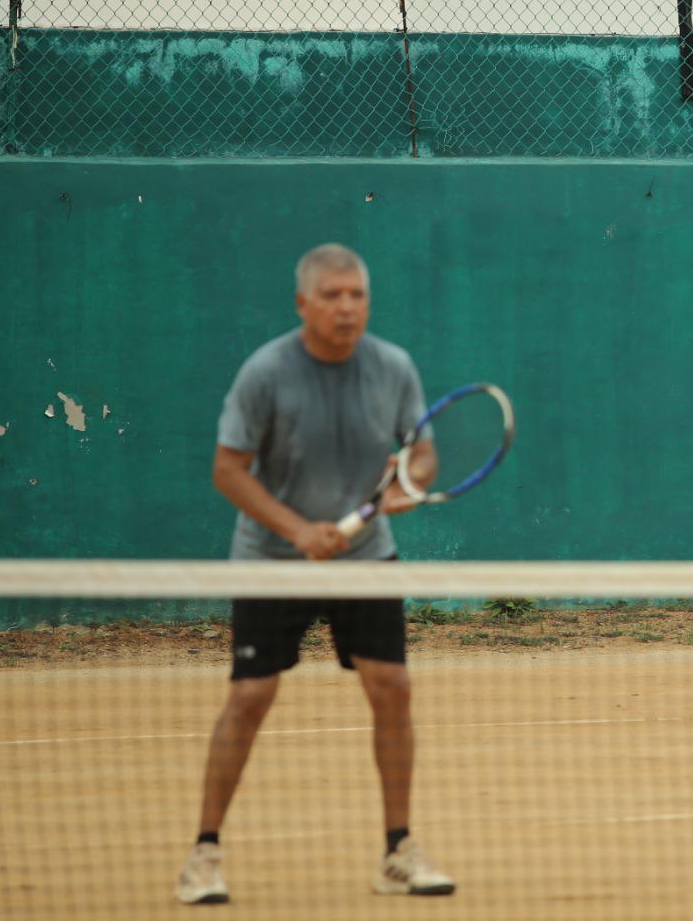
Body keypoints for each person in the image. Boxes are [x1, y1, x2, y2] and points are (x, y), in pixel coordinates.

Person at [175, 243, 455, 905]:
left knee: (392, 687)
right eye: (332, 295)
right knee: (250, 698)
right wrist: (297, 530)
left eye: (357, 294)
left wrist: (407, 487)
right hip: (272, 561)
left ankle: (397, 851)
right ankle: (204, 854)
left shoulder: (392, 368)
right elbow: (227, 469)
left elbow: (423, 455)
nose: (347, 307)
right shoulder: (266, 373)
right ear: (303, 303)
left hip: (364, 557)